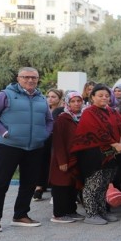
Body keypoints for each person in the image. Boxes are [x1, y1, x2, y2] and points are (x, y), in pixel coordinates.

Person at [0, 67, 54, 233]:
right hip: (9, 146)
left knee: (29, 183)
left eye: (34, 77)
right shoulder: (5, 95)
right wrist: (5, 132)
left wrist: (44, 134)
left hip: (35, 147)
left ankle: (20, 215)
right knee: (1, 183)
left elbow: (49, 120)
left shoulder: (41, 98)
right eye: (26, 77)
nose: (30, 80)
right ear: (18, 78)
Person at [70, 84, 121, 225]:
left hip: (112, 154)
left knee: (104, 184)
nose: (104, 98)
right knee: (93, 185)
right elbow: (96, 131)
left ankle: (102, 211)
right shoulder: (89, 112)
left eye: (107, 96)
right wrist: (115, 144)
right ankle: (91, 213)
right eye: (100, 95)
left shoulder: (112, 111)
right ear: (92, 97)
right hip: (93, 154)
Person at [48, 91, 85, 223]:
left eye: (79, 101)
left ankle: (71, 211)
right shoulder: (63, 118)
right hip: (63, 159)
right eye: (73, 101)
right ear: (67, 103)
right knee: (61, 185)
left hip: (75, 158)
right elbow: (58, 141)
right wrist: (62, 161)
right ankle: (59, 214)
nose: (76, 104)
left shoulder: (81, 117)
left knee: (72, 185)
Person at [34, 88, 65, 201]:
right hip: (44, 139)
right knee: (41, 162)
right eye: (48, 96)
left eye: (53, 97)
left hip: (57, 140)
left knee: (54, 163)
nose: (50, 99)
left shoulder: (63, 111)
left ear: (59, 99)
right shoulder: (44, 110)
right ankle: (39, 187)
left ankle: (54, 188)